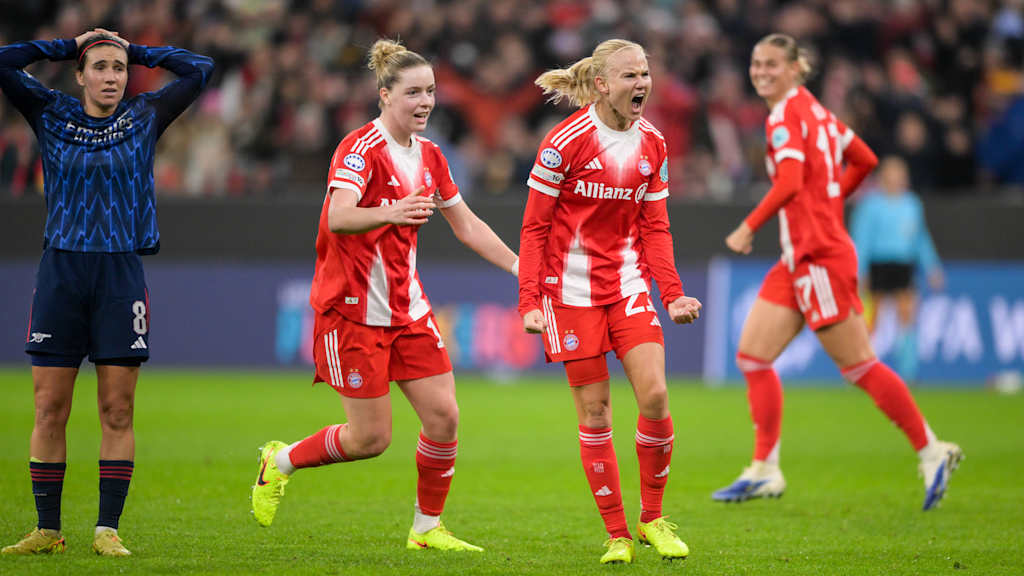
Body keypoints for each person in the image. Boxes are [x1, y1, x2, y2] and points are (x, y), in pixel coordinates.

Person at [250, 39, 518, 553]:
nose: (424, 102)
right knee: (370, 440)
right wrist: (391, 212)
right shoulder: (359, 149)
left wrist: (518, 266)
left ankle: (426, 529)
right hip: (352, 312)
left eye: (431, 92)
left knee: (445, 416)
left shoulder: (432, 156)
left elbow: (466, 225)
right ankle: (279, 462)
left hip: (409, 308)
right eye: (413, 92)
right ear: (384, 96)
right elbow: (338, 216)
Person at [713, 34, 962, 511]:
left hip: (819, 257)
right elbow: (864, 160)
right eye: (755, 63)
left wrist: (747, 227)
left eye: (771, 64)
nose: (761, 71)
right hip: (800, 257)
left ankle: (932, 449)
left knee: (859, 366)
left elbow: (788, 181)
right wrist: (828, 200)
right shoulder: (820, 113)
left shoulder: (785, 115)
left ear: (794, 68)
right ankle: (765, 468)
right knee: (753, 356)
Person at [0, 30, 212, 556]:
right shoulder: (50, 112)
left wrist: (138, 50)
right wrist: (68, 42)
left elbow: (200, 68)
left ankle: (106, 529)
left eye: (119, 68)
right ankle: (47, 529)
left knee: (117, 410)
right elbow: (4, 62)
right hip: (62, 272)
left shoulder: (143, 116)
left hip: (119, 273)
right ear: (80, 75)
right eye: (99, 67)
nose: (112, 77)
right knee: (50, 407)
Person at [518, 39, 702, 564]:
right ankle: (618, 533)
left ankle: (653, 519)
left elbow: (656, 227)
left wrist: (671, 293)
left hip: (625, 288)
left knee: (656, 396)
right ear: (602, 84)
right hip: (569, 295)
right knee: (596, 414)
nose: (641, 83)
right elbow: (535, 227)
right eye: (629, 76)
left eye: (645, 73)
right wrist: (529, 300)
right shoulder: (564, 143)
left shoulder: (654, 145)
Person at [850, 155, 944, 383]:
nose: (897, 177)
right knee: (872, 319)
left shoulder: (912, 204)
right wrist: (859, 271)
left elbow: (920, 238)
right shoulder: (870, 205)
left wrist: (932, 267)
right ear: (883, 176)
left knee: (908, 317)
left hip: (903, 266)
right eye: (893, 172)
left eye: (901, 173)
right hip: (878, 267)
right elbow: (860, 240)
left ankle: (908, 372)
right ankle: (859, 368)